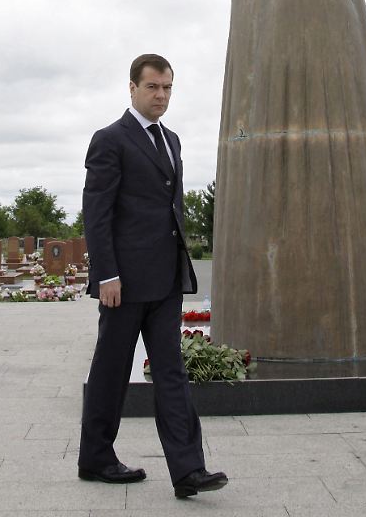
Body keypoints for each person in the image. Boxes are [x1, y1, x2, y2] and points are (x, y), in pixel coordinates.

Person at [78, 53, 227, 499]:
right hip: (122, 284)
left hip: (165, 280)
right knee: (111, 370)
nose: (161, 96)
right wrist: (106, 274)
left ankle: (189, 471)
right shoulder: (110, 139)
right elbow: (97, 214)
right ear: (132, 88)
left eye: (167, 88)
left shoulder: (172, 140)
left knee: (171, 373)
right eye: (152, 87)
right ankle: (96, 458)